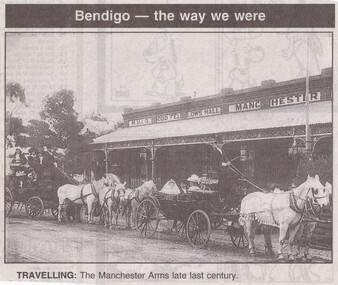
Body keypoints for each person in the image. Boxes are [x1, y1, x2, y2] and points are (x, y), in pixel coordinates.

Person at [209, 135, 233, 204]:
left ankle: (230, 195)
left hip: (225, 171)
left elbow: (226, 159)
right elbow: (213, 163)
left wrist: (228, 162)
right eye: (219, 143)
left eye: (221, 143)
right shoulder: (213, 152)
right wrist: (221, 164)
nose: (220, 145)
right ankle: (223, 197)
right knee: (223, 182)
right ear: (216, 144)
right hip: (219, 172)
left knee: (232, 175)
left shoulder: (223, 151)